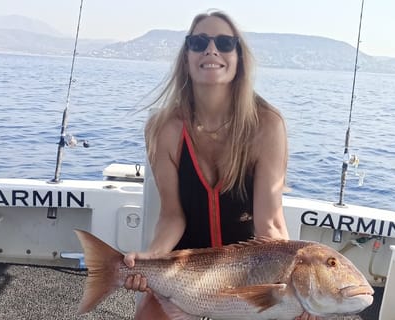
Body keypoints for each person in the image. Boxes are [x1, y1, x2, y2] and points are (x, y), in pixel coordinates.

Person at [122, 10, 321, 320]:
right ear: (186, 56)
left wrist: (293, 289)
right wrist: (151, 258)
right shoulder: (164, 128)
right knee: (147, 314)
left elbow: (269, 222)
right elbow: (172, 215)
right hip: (186, 269)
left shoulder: (267, 125)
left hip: (249, 275)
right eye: (199, 42)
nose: (211, 50)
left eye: (225, 43)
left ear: (239, 58)